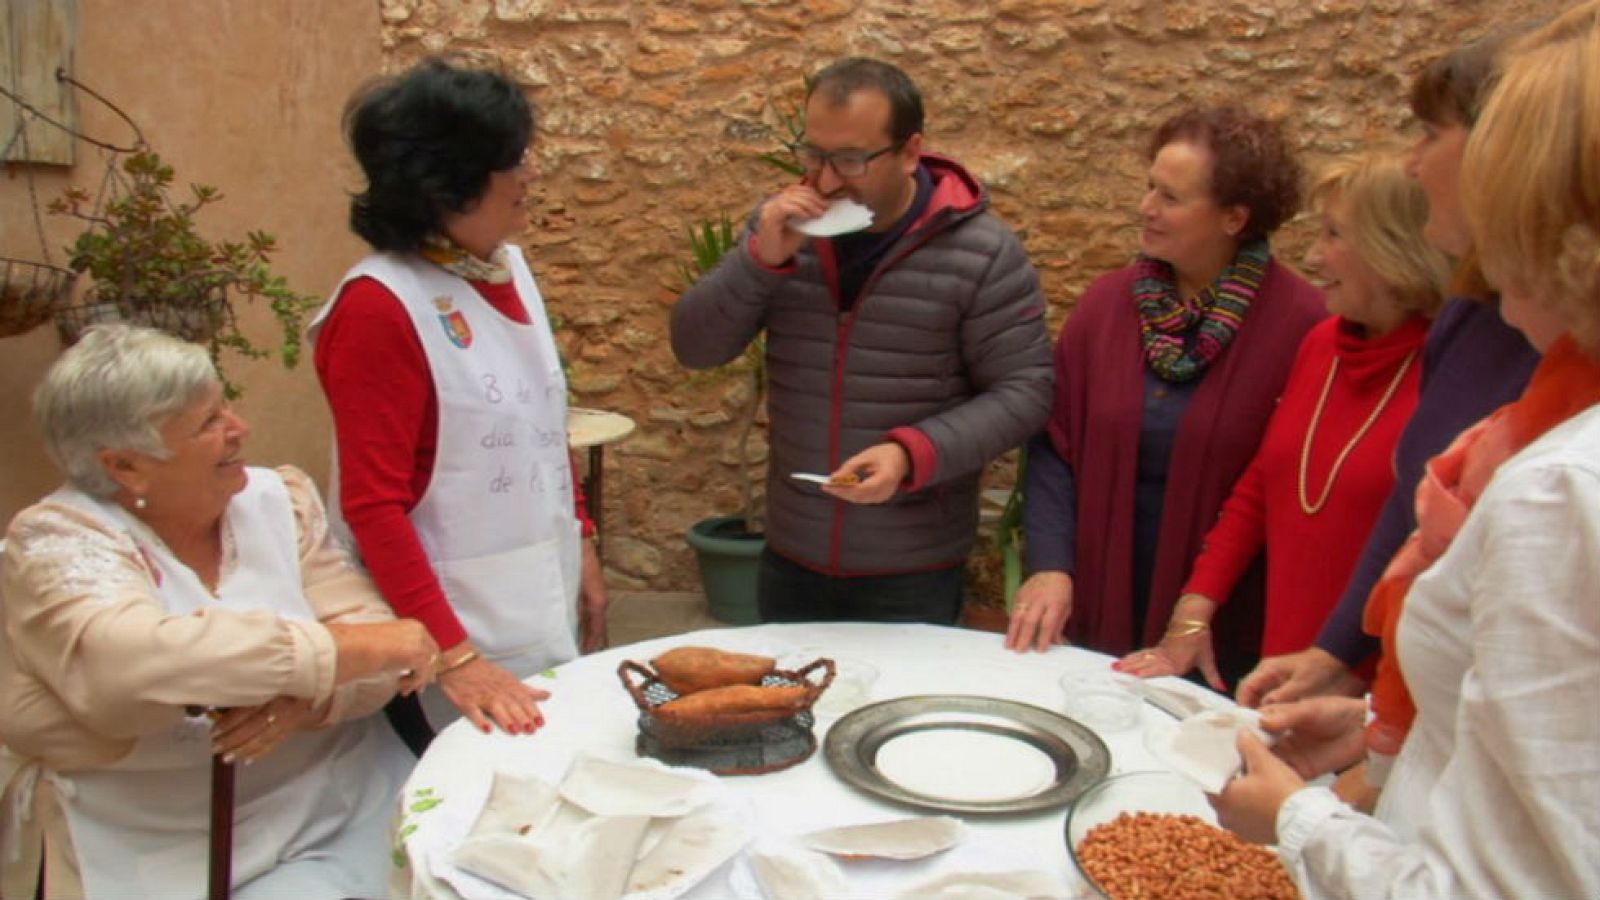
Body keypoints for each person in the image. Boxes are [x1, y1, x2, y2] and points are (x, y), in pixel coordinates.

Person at [1215, 8, 1600, 896]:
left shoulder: (1560, 490)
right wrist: (1377, 732)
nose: (1415, 160)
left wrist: (1297, 819)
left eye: (1435, 134)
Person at [0, 324, 436, 900]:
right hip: (162, 846)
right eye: (208, 422)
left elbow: (377, 646)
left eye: (223, 406)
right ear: (125, 466)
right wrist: (335, 654)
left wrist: (302, 700)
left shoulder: (278, 500)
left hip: (340, 805)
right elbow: (129, 667)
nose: (239, 428)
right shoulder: (58, 541)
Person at [669, 57, 1053, 625]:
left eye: (850, 159)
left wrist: (911, 453)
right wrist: (760, 262)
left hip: (914, 565)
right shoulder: (780, 229)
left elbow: (1027, 391)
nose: (824, 180)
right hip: (792, 555)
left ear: (910, 150)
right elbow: (694, 348)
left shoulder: (981, 251)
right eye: (814, 154)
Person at [1235, 26, 1542, 709]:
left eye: (1431, 133)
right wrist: (1338, 653)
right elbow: (1414, 508)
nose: (1413, 163)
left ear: (1509, 151)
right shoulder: (1468, 318)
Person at [310, 57, 608, 739]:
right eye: (512, 159)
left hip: (531, 599)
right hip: (444, 631)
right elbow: (372, 505)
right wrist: (453, 653)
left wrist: (581, 540)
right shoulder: (379, 308)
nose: (530, 172)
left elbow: (542, 419)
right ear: (450, 181)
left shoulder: (508, 268)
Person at [1008, 105, 1325, 689]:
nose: (1146, 207)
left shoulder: (1301, 328)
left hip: (1225, 624)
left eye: (1171, 197)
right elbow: (1054, 446)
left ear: (1234, 217)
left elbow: (1288, 491)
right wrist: (1051, 565)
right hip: (1100, 595)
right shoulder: (1106, 306)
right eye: (1150, 187)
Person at [1116, 152, 1445, 690]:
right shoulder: (1321, 344)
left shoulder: (1443, 378)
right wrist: (1192, 614)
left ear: (1395, 251)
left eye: (1335, 236)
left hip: (1371, 693)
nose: (1314, 257)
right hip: (1286, 670)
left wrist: (1363, 692)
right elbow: (1260, 489)